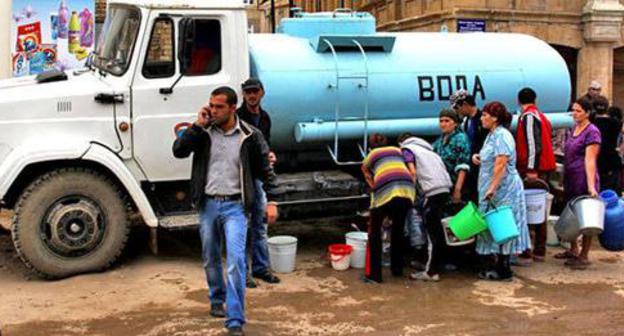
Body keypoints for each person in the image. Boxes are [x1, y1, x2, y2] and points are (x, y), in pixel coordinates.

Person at [172, 86, 279, 336]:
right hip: (208, 204)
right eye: (211, 105)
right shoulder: (202, 132)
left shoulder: (250, 136)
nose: (213, 110)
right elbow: (179, 151)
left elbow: (265, 170)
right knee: (210, 257)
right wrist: (197, 125)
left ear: (233, 108)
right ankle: (216, 300)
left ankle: (234, 321)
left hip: (236, 207)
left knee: (236, 261)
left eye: (219, 106)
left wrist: (272, 201)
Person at [473, 102, 531, 281]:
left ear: (495, 118)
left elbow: (501, 163)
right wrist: (479, 158)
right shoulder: (491, 135)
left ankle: (504, 267)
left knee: (503, 224)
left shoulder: (503, 135)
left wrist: (492, 188)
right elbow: (490, 158)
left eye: (484, 115)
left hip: (504, 189)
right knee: (492, 225)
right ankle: (496, 263)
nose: (482, 118)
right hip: (492, 189)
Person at [236, 78, 280, 288]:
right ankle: (243, 273)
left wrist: (269, 155)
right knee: (242, 226)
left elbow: (265, 145)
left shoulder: (265, 118)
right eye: (248, 92)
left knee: (260, 225)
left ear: (262, 92)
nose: (251, 95)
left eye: (255, 91)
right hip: (242, 178)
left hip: (259, 177)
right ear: (243, 95)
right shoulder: (237, 117)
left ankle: (261, 268)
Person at [361, 133, 416, 283]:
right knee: (398, 231)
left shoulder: (372, 154)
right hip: (407, 189)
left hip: (386, 188)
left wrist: (373, 187)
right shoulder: (397, 150)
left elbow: (365, 172)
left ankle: (374, 275)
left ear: (371, 146)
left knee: (375, 233)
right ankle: (397, 270)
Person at [555, 97, 601, 270]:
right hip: (571, 178)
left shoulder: (592, 132)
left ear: (587, 113)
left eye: (579, 111)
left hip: (584, 178)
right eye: (573, 110)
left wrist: (591, 186)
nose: (575, 113)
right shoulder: (574, 128)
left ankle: (584, 254)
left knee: (586, 216)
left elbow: (590, 160)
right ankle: (573, 248)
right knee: (571, 213)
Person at [399, 134, 452, 282]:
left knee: (432, 234)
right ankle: (435, 266)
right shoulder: (430, 151)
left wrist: (411, 192)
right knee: (438, 232)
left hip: (431, 191)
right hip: (444, 189)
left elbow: (412, 172)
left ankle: (431, 272)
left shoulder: (407, 149)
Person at [514, 87, 556, 262]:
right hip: (542, 166)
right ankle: (537, 248)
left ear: (518, 101)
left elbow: (533, 144)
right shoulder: (539, 115)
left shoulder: (529, 117)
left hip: (535, 169)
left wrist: (531, 169)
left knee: (533, 209)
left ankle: (533, 248)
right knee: (538, 209)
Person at [450, 89, 488, 204]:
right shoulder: (466, 122)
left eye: (457, 108)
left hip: (482, 166)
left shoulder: (483, 120)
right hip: (472, 167)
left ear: (465, 105)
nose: (457, 111)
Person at [432, 109, 471, 205]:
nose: (443, 124)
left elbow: (463, 166)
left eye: (447, 121)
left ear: (455, 123)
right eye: (441, 121)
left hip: (458, 186)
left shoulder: (460, 138)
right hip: (443, 188)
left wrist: (457, 190)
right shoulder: (439, 141)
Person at [591, 95, 622, 194]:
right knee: (611, 195)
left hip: (595, 162)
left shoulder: (590, 123)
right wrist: (620, 149)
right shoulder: (615, 123)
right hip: (611, 162)